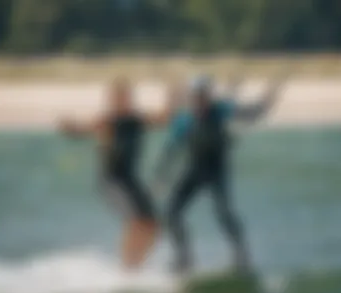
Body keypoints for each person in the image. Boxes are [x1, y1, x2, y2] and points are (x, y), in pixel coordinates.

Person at [155, 73, 287, 275]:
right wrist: (161, 177)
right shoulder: (185, 120)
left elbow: (250, 113)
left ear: (208, 95)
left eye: (203, 95)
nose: (199, 100)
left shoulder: (221, 110)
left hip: (217, 172)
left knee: (224, 213)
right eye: (196, 96)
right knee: (172, 213)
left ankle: (241, 256)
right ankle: (184, 258)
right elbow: (171, 149)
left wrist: (267, 101)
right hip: (195, 171)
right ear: (191, 97)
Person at [59, 79, 171, 270]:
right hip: (111, 181)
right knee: (136, 221)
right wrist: (71, 128)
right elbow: (84, 130)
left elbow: (162, 120)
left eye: (125, 98)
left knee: (153, 224)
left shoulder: (136, 120)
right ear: (112, 101)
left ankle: (137, 265)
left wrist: (173, 98)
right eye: (117, 99)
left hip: (130, 180)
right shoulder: (107, 121)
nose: (122, 103)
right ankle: (126, 268)